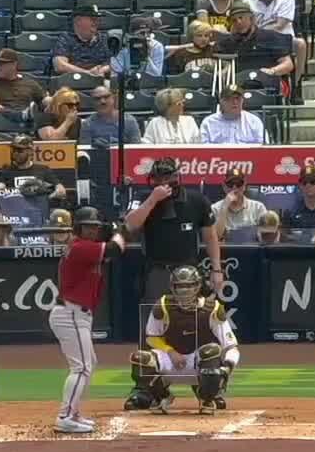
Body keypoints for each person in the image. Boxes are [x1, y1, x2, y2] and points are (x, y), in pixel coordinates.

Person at [49, 206, 127, 434]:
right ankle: (64, 417)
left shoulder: (85, 247)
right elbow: (115, 249)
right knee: (81, 367)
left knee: (87, 364)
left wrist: (114, 230)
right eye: (88, 227)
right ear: (78, 228)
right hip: (70, 313)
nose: (93, 231)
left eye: (96, 228)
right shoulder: (81, 247)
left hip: (76, 314)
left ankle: (72, 413)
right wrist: (121, 230)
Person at [126, 265, 241, 414]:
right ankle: (162, 396)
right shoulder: (163, 306)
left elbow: (231, 347)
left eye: (188, 285)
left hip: (199, 363)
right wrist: (170, 351)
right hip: (171, 360)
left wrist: (226, 369)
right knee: (140, 358)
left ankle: (207, 398)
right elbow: (151, 338)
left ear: (198, 286)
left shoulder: (212, 309)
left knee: (211, 351)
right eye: (180, 286)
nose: (184, 290)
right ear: (172, 287)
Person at [125, 156, 225, 309]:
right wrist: (153, 200)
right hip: (157, 271)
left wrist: (216, 269)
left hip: (188, 271)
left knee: (190, 319)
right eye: (159, 179)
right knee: (155, 317)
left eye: (168, 178)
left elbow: (210, 237)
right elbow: (130, 225)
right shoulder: (143, 198)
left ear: (177, 177)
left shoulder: (197, 200)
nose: (164, 183)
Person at [216, 1, 295, 84]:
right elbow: (219, 64)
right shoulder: (228, 43)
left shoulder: (270, 37)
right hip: (238, 86)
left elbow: (288, 64)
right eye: (234, 20)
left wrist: (272, 71)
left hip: (267, 83)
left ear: (251, 18)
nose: (238, 22)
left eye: (241, 17)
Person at [245, 0, 307, 80]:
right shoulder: (248, 2)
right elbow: (247, 28)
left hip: (282, 38)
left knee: (300, 44)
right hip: (258, 40)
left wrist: (259, 30)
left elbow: (280, 25)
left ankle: (296, 81)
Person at [0, 135, 68, 202]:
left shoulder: (43, 169)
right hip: (15, 209)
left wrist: (46, 199)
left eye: (20, 150)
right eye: (14, 150)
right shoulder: (6, 171)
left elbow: (61, 190)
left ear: (30, 151)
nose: (15, 153)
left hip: (39, 209)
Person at [0, 49, 49, 115]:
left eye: (2, 63)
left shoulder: (30, 84)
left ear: (14, 64)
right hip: (2, 119)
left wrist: (55, 99)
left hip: (25, 123)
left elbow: (44, 100)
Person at [52, 4, 112, 77]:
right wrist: (87, 73)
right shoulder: (66, 39)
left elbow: (116, 64)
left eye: (97, 19)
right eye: (92, 19)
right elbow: (59, 66)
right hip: (71, 82)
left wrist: (101, 70)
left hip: (99, 81)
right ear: (78, 21)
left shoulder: (104, 39)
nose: (96, 23)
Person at [200, 84, 267, 144]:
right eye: (229, 99)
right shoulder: (208, 123)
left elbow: (264, 147)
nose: (235, 102)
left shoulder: (254, 121)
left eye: (238, 98)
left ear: (242, 101)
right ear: (221, 101)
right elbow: (202, 150)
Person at [212, 168, 269, 239]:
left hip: (252, 248)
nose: (234, 187)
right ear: (224, 186)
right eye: (230, 184)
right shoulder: (215, 208)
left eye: (238, 184)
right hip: (225, 249)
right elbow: (216, 236)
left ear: (244, 185)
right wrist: (224, 207)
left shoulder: (258, 207)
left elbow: (266, 237)